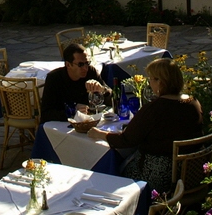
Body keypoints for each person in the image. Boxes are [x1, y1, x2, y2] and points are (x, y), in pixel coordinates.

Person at [87, 58, 203, 193]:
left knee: (110, 168)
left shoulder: (154, 109)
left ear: (161, 82)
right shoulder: (193, 102)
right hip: (192, 172)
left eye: (151, 79)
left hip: (160, 177)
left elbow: (126, 140)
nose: (149, 83)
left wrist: (100, 134)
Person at [40, 43, 111, 123]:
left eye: (87, 63)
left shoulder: (91, 72)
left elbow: (114, 99)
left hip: (89, 123)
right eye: (80, 64)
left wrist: (103, 90)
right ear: (68, 65)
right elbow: (46, 114)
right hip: (63, 126)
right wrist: (72, 111)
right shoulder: (54, 78)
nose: (85, 68)